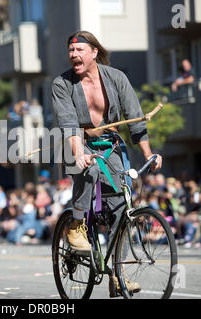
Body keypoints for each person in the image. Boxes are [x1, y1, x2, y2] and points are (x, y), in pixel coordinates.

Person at [51, 30, 162, 295]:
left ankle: (117, 275)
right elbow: (68, 124)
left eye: (79, 51)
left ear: (93, 53)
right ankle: (76, 224)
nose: (73, 55)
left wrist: (148, 153)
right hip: (76, 140)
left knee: (121, 207)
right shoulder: (62, 84)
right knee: (86, 169)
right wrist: (79, 153)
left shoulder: (116, 78)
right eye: (71, 51)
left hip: (110, 143)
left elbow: (135, 117)